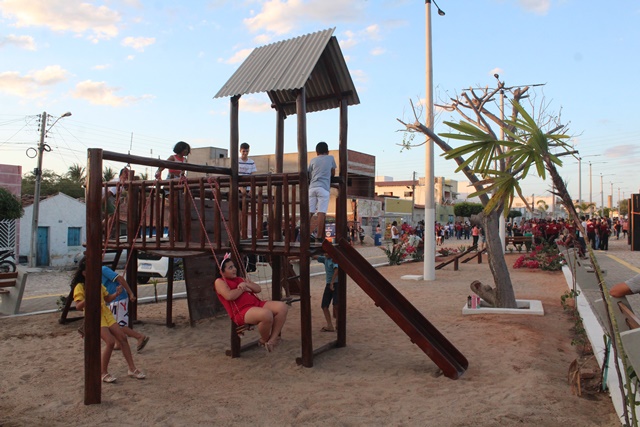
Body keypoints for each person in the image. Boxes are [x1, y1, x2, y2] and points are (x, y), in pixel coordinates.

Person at [72, 257, 146, 383]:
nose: (96, 272)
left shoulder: (97, 283)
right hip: (94, 316)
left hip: (106, 313)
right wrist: (89, 296)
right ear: (84, 273)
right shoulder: (80, 286)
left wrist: (116, 294)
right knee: (110, 342)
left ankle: (132, 369)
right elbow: (78, 306)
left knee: (122, 337)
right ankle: (103, 372)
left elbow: (107, 299)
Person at [214, 256, 288, 352]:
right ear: (221, 272)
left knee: (282, 307)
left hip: (256, 303)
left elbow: (258, 289)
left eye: (233, 266)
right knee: (266, 315)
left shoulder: (240, 279)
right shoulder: (219, 282)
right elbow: (229, 296)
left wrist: (246, 284)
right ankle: (264, 340)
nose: (234, 269)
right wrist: (242, 289)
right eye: (230, 268)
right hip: (241, 311)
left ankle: (272, 340)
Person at [102, 265, 150, 352]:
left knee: (118, 325)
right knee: (113, 323)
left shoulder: (103, 269)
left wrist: (130, 293)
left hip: (118, 298)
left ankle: (139, 337)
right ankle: (118, 343)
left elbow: (120, 279)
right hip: (113, 299)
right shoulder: (97, 273)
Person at [308, 142, 336, 242]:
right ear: (327, 151)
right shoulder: (330, 158)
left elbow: (309, 173)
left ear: (316, 152)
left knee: (310, 212)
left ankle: (305, 233)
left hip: (312, 187)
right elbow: (333, 172)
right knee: (321, 212)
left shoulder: (312, 160)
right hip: (323, 187)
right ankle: (319, 236)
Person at [315, 253, 339, 332]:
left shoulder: (334, 260)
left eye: (327, 253)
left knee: (336, 305)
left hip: (335, 284)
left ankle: (338, 323)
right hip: (329, 284)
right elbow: (316, 256)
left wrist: (332, 282)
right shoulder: (325, 259)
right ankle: (329, 325)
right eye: (324, 253)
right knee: (324, 306)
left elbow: (336, 270)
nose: (325, 254)